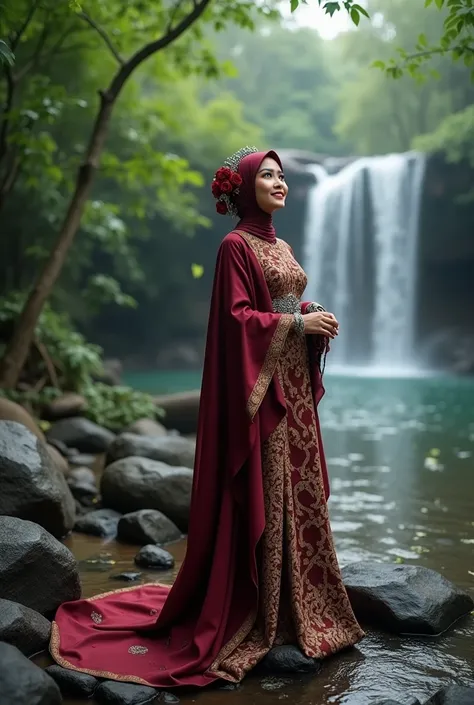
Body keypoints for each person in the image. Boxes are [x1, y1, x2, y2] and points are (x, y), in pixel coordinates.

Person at [50, 147, 364, 688]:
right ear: (242, 188)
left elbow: (282, 305)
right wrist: (294, 327)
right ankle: (263, 615)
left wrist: (310, 315)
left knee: (300, 493)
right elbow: (238, 321)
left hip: (291, 389)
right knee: (269, 492)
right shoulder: (233, 246)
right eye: (267, 176)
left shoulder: (281, 245)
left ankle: (301, 611)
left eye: (282, 176)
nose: (278, 182)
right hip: (265, 397)